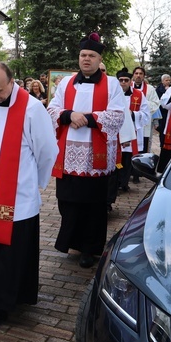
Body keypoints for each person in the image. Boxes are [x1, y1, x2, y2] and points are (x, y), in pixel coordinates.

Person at [0, 62, 58, 333]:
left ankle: (2, 306)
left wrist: (35, 185)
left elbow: (47, 151)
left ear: (12, 82)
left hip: (16, 195)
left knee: (12, 252)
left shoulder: (31, 108)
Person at [47, 32, 125, 268]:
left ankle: (90, 249)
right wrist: (69, 115)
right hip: (69, 154)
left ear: (99, 59)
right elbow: (51, 109)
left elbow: (118, 116)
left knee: (93, 205)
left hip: (95, 158)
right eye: (83, 55)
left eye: (91, 55)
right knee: (67, 200)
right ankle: (73, 242)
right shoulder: (66, 83)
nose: (86, 59)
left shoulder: (111, 84)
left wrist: (88, 119)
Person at [116, 68, 151, 191]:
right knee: (117, 160)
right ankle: (116, 183)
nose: (123, 83)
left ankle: (124, 184)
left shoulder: (139, 94)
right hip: (117, 133)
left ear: (130, 81)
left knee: (127, 160)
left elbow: (146, 114)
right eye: (121, 80)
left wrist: (133, 114)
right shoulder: (112, 94)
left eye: (126, 80)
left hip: (132, 133)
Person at [130, 67, 160, 182]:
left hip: (144, 124)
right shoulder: (128, 87)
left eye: (140, 74)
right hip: (130, 124)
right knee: (128, 149)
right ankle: (128, 173)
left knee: (141, 150)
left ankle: (138, 174)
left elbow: (156, 104)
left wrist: (142, 102)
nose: (138, 75)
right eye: (136, 73)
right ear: (133, 75)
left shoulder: (150, 89)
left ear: (144, 76)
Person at [156, 74, 171, 147]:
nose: (168, 82)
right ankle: (162, 145)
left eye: (169, 80)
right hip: (162, 114)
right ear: (162, 81)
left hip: (170, 113)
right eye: (166, 80)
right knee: (162, 131)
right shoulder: (158, 89)